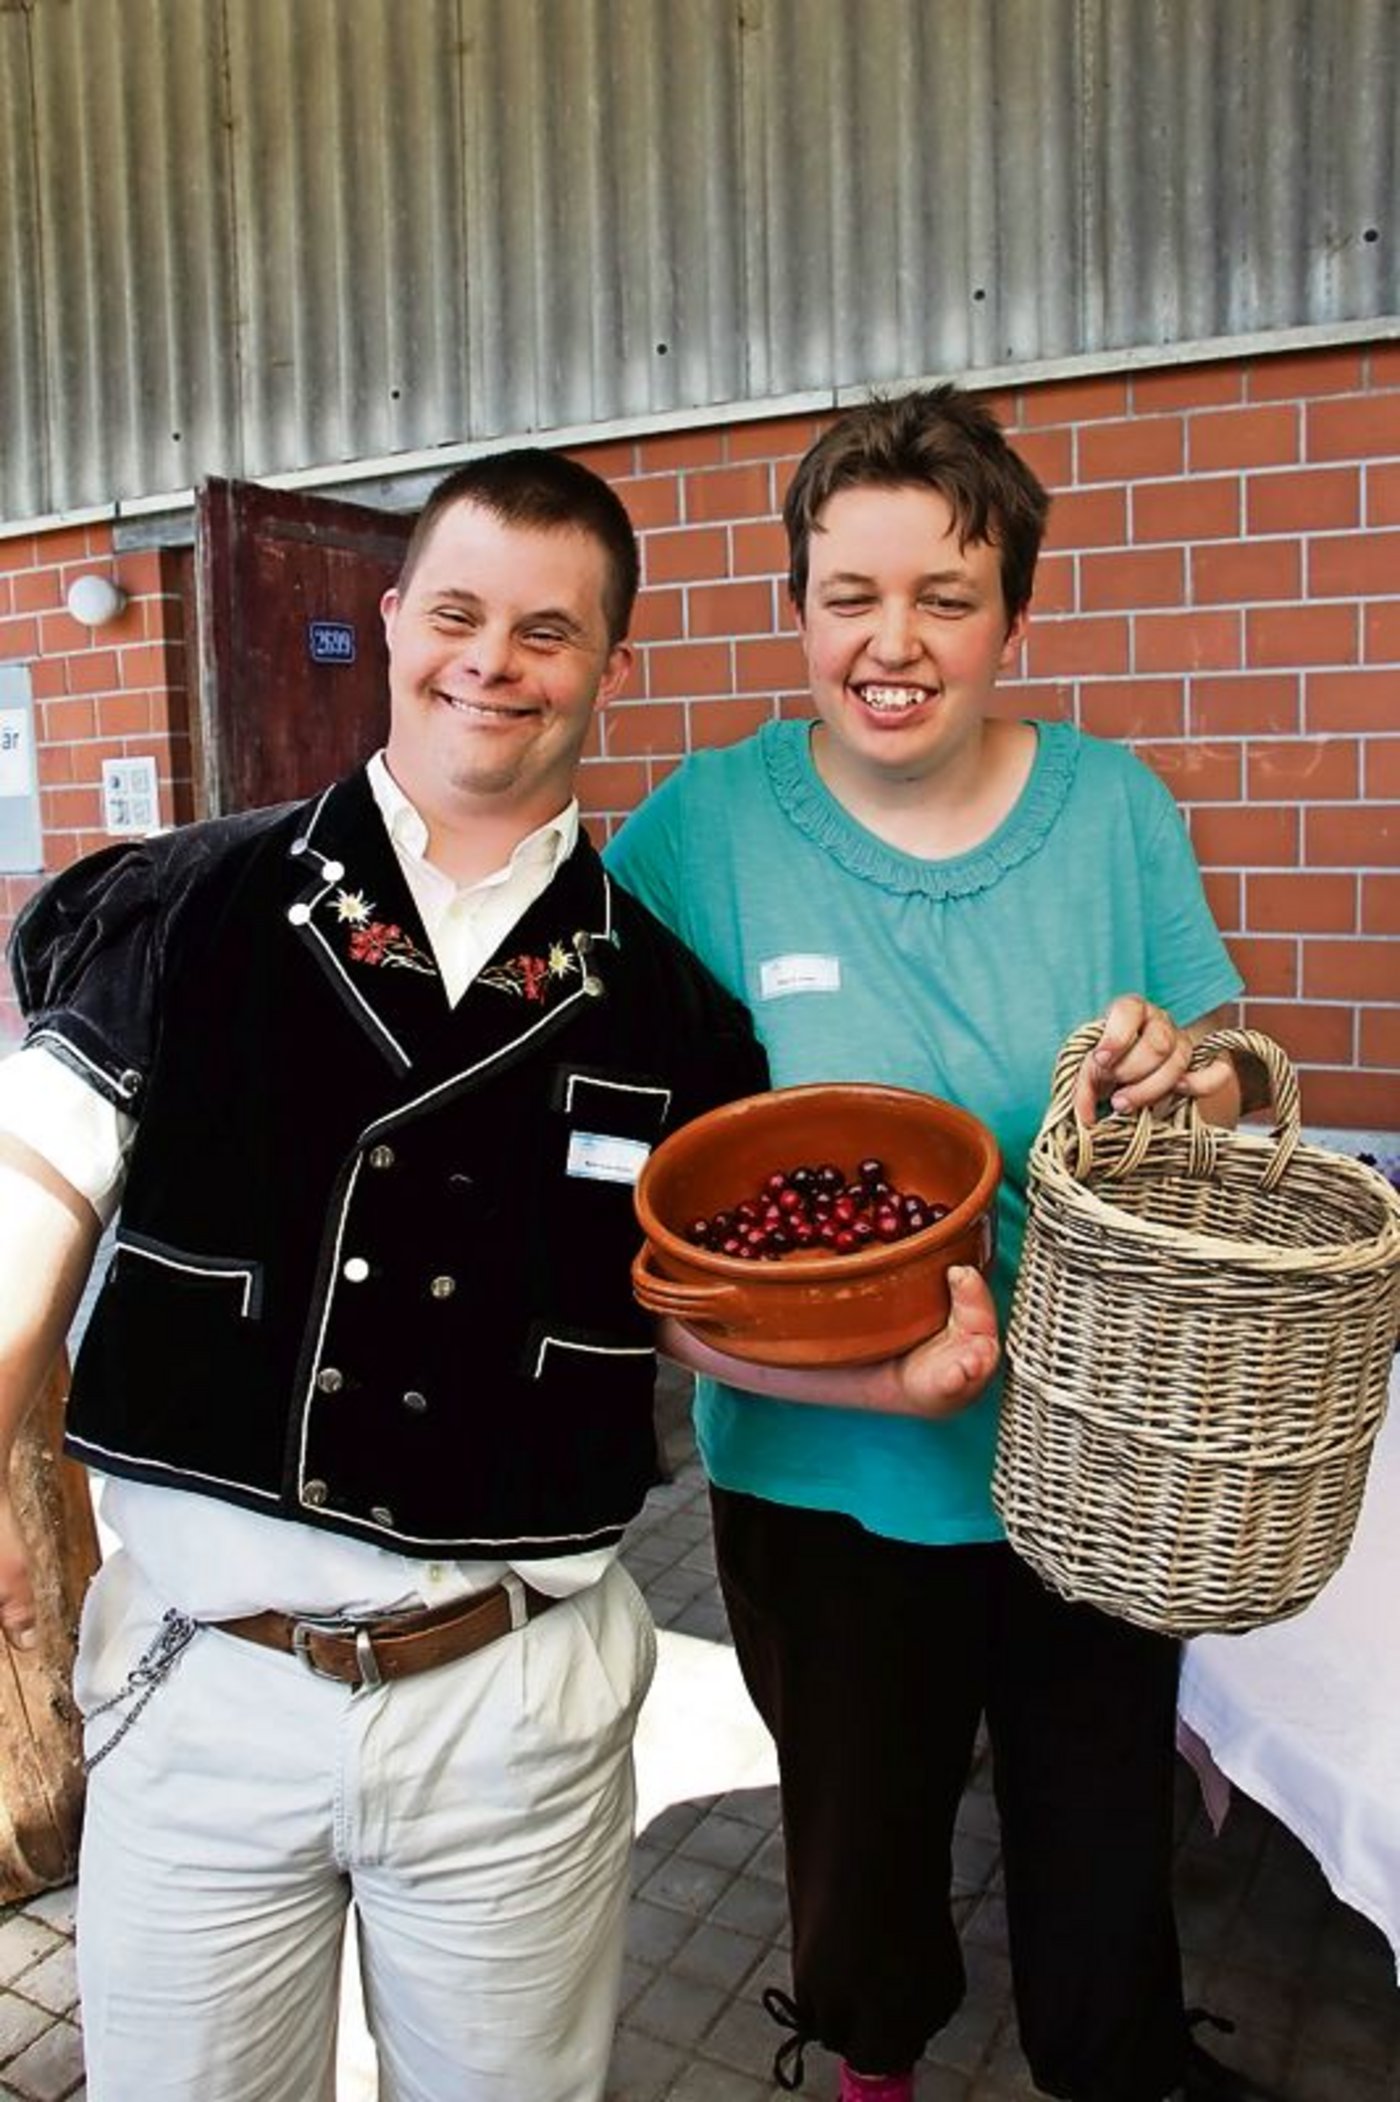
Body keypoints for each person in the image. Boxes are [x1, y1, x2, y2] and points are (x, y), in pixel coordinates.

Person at [0, 444, 1000, 2102]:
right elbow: (26, 1205)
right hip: (200, 1680)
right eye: (457, 612)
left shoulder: (670, 1014)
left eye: (550, 630)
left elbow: (692, 1309)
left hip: (509, 1705)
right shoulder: (185, 906)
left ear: (614, 661)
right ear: (393, 624)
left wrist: (891, 1378)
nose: (494, 660)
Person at [605, 387, 1280, 2102]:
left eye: (945, 597)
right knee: (861, 1837)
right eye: (850, 595)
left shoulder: (1115, 807)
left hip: (1091, 1448)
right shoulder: (703, 831)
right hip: (826, 1475)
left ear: (1013, 615)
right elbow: (641, 1174)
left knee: (1100, 1830)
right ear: (798, 605)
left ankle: (1116, 2060)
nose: (891, 643)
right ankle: (870, 2062)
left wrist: (1179, 1075)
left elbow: (1235, 1080)